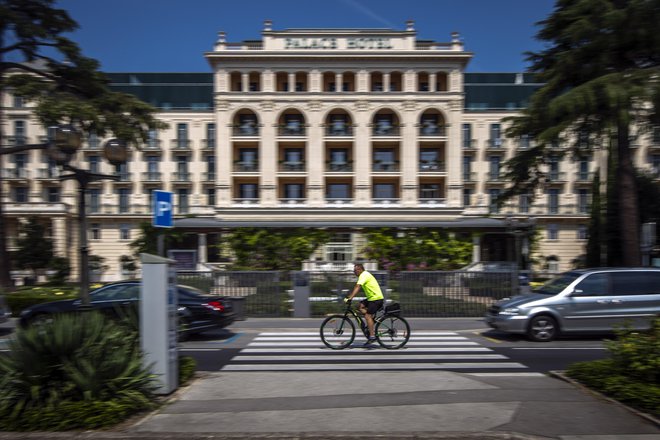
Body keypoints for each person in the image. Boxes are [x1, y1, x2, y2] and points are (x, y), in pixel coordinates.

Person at [344, 263, 384, 344]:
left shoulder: (364, 275)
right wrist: (350, 296)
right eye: (353, 271)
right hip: (371, 298)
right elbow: (357, 288)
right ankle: (371, 321)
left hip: (376, 299)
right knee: (359, 306)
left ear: (360, 270)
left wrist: (350, 298)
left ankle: (372, 336)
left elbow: (357, 287)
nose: (354, 272)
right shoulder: (364, 275)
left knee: (367, 316)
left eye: (355, 271)